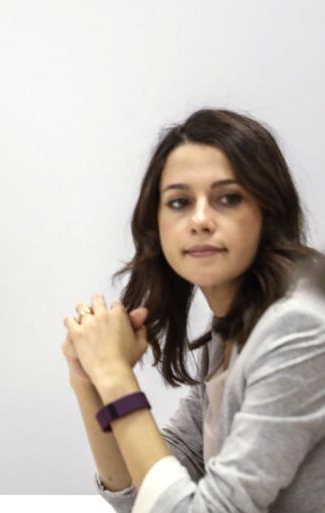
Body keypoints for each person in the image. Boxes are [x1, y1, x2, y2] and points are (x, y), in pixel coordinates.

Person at [62, 109, 325, 512]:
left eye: (228, 198)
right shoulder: (230, 329)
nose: (200, 220)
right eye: (180, 202)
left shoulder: (299, 327)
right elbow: (144, 496)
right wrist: (90, 383)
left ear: (267, 213)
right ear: (157, 225)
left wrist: (116, 376)